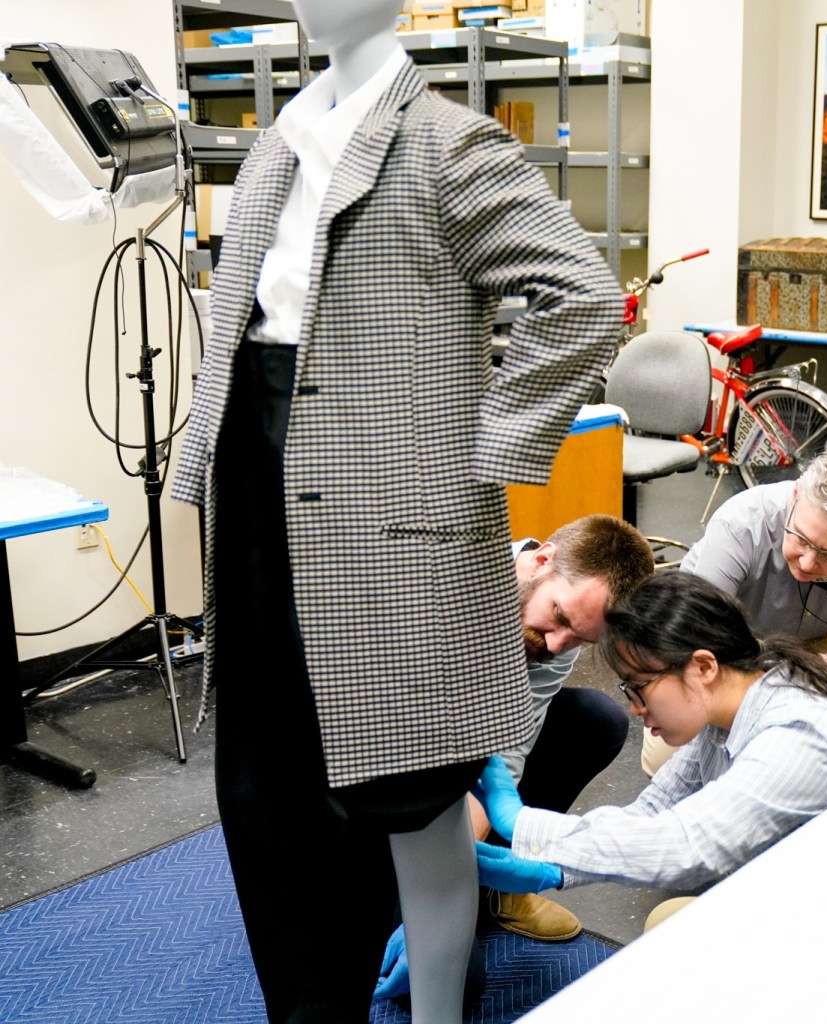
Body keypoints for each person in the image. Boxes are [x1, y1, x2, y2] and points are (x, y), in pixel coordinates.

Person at [170, 1, 623, 1021]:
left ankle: (435, 1011)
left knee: (409, 791)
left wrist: (481, 455)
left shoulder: (449, 144)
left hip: (394, 513)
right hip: (256, 484)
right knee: (266, 791)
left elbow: (582, 298)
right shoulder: (273, 148)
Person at [472, 572, 827, 917]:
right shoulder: (731, 706)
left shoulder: (801, 737)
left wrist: (519, 821)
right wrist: (552, 870)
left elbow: (682, 845)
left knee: (673, 927)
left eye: (639, 686)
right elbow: (652, 813)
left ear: (702, 666)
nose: (636, 708)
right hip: (808, 883)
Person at [374, 515, 654, 1004]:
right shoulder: (434, 587)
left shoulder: (557, 638)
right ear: (542, 560)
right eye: (561, 618)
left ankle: (494, 882)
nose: (557, 645)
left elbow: (506, 754)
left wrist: (448, 872)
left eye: (581, 639)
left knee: (598, 719)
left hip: (459, 770)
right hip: (370, 775)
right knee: (431, 964)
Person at [638, 443, 827, 776]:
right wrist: (760, 690)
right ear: (796, 495)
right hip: (724, 641)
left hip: (825, 639)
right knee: (667, 761)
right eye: (801, 538)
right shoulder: (741, 524)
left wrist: (814, 671)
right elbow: (695, 642)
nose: (807, 562)